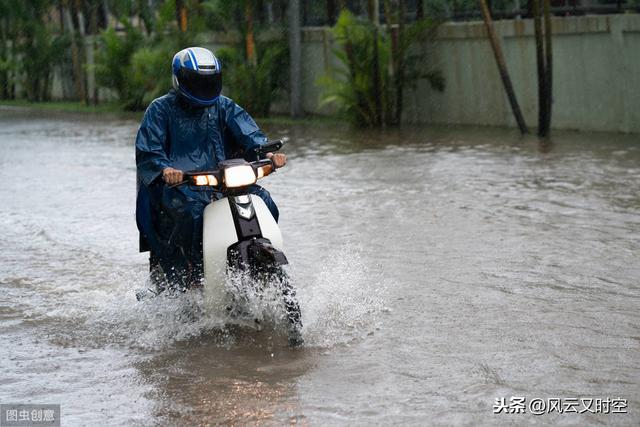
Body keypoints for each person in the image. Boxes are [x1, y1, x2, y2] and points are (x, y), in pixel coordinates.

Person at [135, 47, 286, 290]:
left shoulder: (225, 107)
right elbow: (149, 150)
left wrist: (268, 154)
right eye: (196, 81)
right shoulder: (160, 110)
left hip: (225, 182)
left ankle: (264, 255)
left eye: (208, 81)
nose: (203, 87)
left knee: (264, 200)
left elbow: (250, 134)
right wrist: (166, 170)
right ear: (180, 79)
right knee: (193, 212)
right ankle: (193, 273)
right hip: (182, 186)